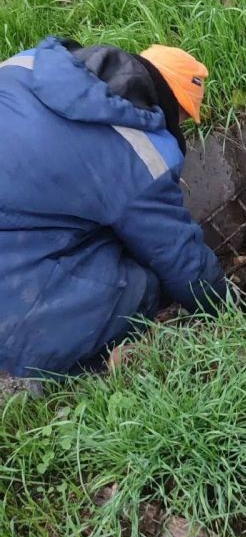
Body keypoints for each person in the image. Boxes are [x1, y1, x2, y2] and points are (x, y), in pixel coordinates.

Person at [0, 36, 227, 378]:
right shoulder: (136, 151)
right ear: (174, 108)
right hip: (12, 297)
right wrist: (226, 310)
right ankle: (84, 365)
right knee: (144, 286)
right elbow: (177, 255)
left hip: (18, 224)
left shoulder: (33, 64)